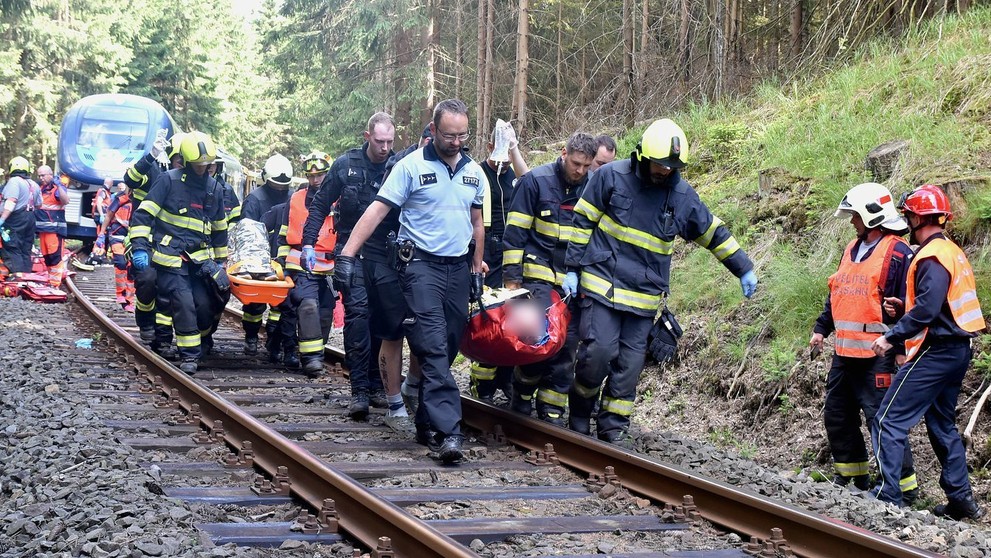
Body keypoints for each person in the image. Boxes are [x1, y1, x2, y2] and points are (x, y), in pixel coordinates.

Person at [565, 118, 757, 447]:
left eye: (671, 166)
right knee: (597, 353)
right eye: (660, 164)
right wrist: (572, 267)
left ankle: (614, 427)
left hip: (643, 296)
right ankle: (581, 411)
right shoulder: (612, 177)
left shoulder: (682, 196)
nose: (665, 171)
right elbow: (583, 220)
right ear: (642, 156)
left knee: (629, 366)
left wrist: (742, 267)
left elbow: (712, 232)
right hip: (603, 286)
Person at [335, 99, 487, 463]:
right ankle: (448, 432)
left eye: (462, 135)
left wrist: (476, 268)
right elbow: (376, 210)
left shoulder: (475, 173)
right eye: (449, 135)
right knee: (433, 344)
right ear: (433, 131)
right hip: (419, 267)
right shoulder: (410, 167)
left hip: (457, 268)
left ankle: (424, 419)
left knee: (449, 345)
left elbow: (477, 224)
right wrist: (347, 255)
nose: (456, 141)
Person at [871, 184, 985, 519]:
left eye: (907, 215)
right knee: (941, 423)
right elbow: (936, 304)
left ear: (918, 217)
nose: (906, 220)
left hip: (936, 350)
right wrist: (902, 308)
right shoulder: (951, 251)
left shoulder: (931, 256)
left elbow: (928, 309)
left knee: (888, 420)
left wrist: (892, 336)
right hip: (958, 349)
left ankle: (887, 498)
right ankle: (961, 500)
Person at [810, 182, 917, 500]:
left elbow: (912, 307)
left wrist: (899, 349)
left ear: (872, 216)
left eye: (855, 215)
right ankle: (853, 478)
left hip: (878, 355)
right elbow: (839, 293)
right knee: (837, 413)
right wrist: (821, 328)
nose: (852, 221)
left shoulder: (898, 252)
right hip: (844, 353)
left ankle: (902, 489)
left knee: (881, 420)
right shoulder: (851, 249)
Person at [301, 115, 395, 420]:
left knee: (383, 319)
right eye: (379, 141)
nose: (384, 148)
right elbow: (320, 204)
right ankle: (359, 391)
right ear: (367, 136)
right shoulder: (346, 165)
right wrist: (307, 243)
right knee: (357, 317)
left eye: (389, 142)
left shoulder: (399, 166)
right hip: (351, 253)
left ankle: (376, 383)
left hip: (385, 254)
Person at [501, 132, 597, 425]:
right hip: (537, 276)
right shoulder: (536, 182)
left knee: (568, 344)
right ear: (564, 153)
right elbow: (514, 235)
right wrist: (512, 282)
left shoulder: (592, 189)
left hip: (572, 282)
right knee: (540, 339)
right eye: (577, 163)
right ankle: (522, 392)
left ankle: (551, 409)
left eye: (586, 166)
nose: (580, 171)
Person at [128, 131, 230, 374]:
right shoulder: (168, 181)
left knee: (205, 305)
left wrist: (222, 262)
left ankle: (202, 343)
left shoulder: (214, 188)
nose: (203, 169)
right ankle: (189, 356)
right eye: (198, 165)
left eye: (207, 165)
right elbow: (143, 216)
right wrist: (141, 247)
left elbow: (219, 228)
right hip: (170, 258)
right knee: (184, 303)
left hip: (200, 261)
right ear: (185, 161)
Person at [468, 123, 530, 403]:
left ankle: (505, 379)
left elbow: (529, 181)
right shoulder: (477, 172)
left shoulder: (512, 176)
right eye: (499, 150)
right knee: (490, 318)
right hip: (488, 254)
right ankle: (482, 385)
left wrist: (513, 149)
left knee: (512, 318)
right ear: (489, 147)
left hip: (512, 253)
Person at [124, 131, 185, 344]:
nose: (183, 165)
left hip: (171, 241)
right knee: (148, 279)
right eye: (180, 161)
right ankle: (145, 321)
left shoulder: (188, 179)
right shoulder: (152, 169)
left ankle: (169, 333)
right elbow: (129, 179)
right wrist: (150, 156)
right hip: (143, 237)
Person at [278, 153, 336, 377]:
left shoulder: (339, 200)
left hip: (329, 267)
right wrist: (282, 263)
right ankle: (311, 359)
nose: (316, 180)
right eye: (311, 176)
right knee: (308, 306)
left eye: (320, 175)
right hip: (301, 262)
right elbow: (284, 234)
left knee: (324, 311)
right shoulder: (295, 199)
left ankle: (316, 351)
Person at [240, 154, 293, 356]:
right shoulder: (255, 200)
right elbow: (247, 231)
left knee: (280, 306)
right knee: (254, 304)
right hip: (258, 261)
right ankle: (251, 337)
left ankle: (273, 341)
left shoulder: (292, 198)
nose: (280, 189)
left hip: (283, 260)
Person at [0, 157, 41, 274]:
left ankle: (18, 277)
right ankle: (26, 275)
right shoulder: (33, 184)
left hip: (15, 219)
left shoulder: (14, 181)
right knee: (25, 249)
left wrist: (2, 219)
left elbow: (11, 201)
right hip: (30, 217)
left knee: (12, 247)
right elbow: (39, 204)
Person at [34, 165, 69, 287]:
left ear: (50, 175)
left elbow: (66, 201)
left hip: (55, 229)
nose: (41, 178)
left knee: (55, 257)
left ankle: (55, 284)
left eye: (43, 175)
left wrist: (59, 186)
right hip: (43, 230)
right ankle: (51, 282)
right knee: (47, 257)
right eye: (39, 175)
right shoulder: (40, 188)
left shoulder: (56, 188)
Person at [104, 184, 135, 311]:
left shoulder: (142, 200)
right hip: (117, 235)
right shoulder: (119, 199)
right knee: (121, 263)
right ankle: (121, 294)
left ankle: (130, 300)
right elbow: (109, 215)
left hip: (133, 237)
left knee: (132, 268)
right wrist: (102, 234)